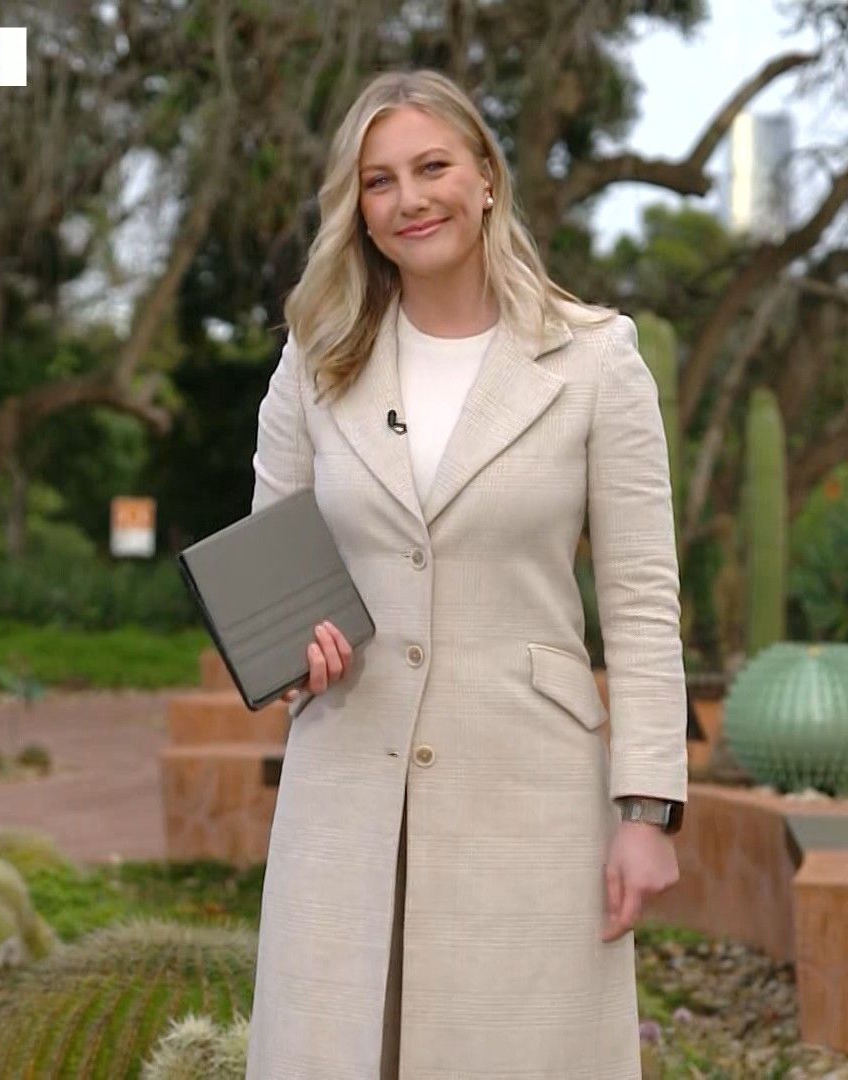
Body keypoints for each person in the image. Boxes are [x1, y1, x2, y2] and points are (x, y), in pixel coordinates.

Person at [246, 68, 688, 1079]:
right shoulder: (315, 361)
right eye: (380, 181)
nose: (410, 199)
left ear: (486, 177)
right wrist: (290, 652)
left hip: (530, 795)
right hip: (346, 783)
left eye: (432, 167)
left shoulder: (597, 360)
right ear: (359, 210)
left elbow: (640, 602)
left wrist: (647, 811)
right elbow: (268, 568)